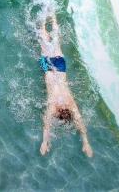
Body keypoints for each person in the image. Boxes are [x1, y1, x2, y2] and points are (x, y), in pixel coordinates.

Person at [38, 14, 93, 158]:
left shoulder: (65, 104)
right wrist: (86, 142)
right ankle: (47, 18)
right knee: (48, 41)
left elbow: (48, 125)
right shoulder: (61, 104)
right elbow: (48, 125)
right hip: (52, 68)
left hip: (55, 67)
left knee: (52, 40)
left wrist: (45, 142)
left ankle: (49, 17)